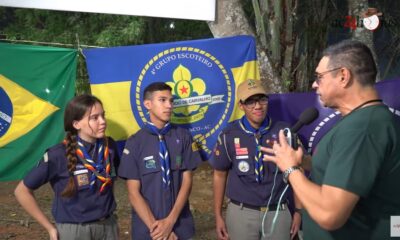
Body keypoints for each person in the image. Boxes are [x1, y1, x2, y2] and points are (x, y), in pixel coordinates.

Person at [262, 40, 400, 239]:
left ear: (343, 76)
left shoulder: (362, 128)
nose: (314, 84)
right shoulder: (363, 120)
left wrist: (290, 169)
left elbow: (329, 214)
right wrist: (306, 162)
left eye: (319, 77)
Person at [14, 94, 120, 240]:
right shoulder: (57, 155)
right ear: (76, 124)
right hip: (74, 230)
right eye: (94, 118)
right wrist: (50, 228)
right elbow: (22, 191)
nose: (103, 122)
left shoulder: (110, 147)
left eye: (103, 115)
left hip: (108, 227)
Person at [209, 79, 302, 240]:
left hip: (278, 212)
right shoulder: (229, 134)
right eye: (250, 101)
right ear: (241, 105)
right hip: (241, 213)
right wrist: (217, 215)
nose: (258, 106)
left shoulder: (284, 132)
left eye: (262, 99)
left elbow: (297, 172)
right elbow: (219, 174)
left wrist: (299, 212)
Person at [118, 82, 201, 240]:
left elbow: (187, 181)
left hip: (180, 226)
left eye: (171, 101)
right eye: (162, 100)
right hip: (148, 231)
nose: (169, 105)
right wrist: (158, 230)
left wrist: (170, 222)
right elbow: (133, 193)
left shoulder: (183, 137)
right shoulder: (135, 143)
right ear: (147, 104)